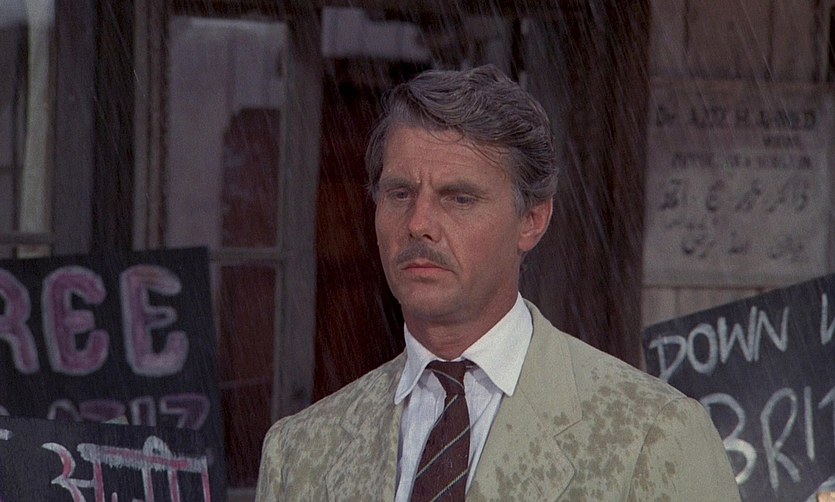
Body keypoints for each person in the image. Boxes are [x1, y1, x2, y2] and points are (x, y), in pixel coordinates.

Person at [255, 64, 740, 501]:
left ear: (532, 220)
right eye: (399, 193)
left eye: (459, 198)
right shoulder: (301, 452)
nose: (418, 223)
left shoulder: (652, 435)